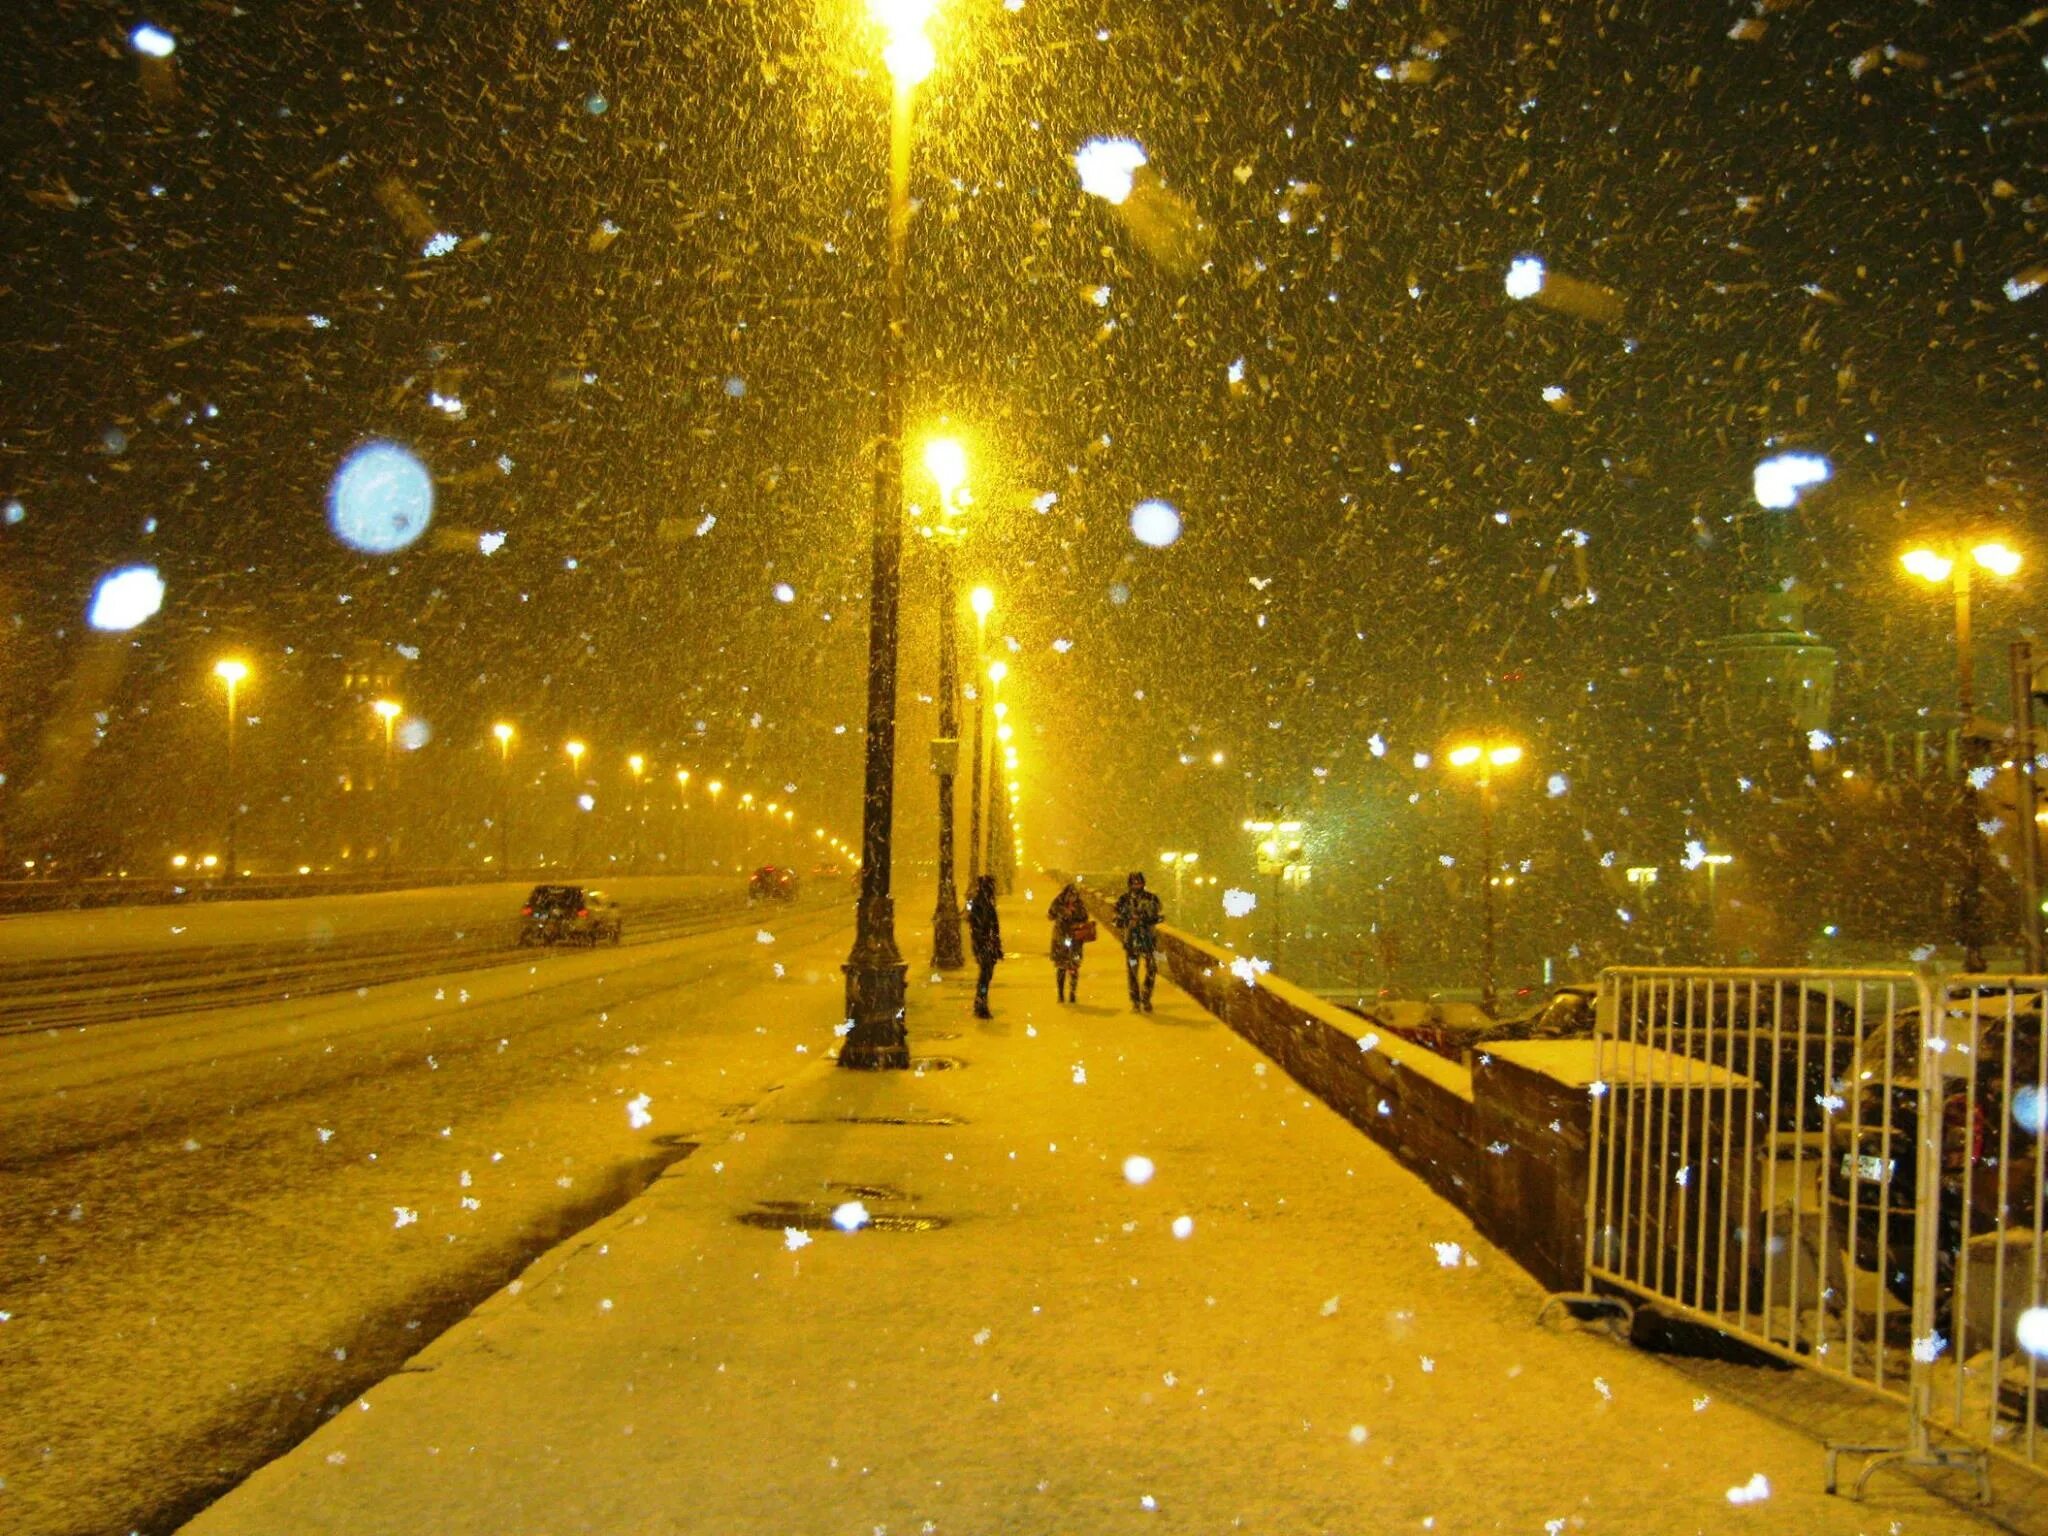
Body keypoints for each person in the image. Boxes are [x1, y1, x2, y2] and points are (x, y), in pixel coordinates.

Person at [1112, 870, 1164, 1012]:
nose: (1137, 885)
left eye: (1139, 882)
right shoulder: (1123, 900)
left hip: (1148, 941)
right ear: (1130, 884)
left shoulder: (1151, 898)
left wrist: (1145, 920)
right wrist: (1128, 921)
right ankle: (1135, 1000)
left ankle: (1146, 996)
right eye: (1134, 883)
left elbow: (1159, 916)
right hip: (1131, 943)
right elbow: (1116, 920)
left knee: (1152, 967)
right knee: (1133, 970)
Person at [966, 874, 1003, 1019]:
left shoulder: (986, 902)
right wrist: (985, 941)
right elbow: (978, 926)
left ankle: (981, 1001)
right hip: (983, 945)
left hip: (987, 945)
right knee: (985, 975)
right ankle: (981, 1002)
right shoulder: (981, 903)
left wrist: (995, 943)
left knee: (986, 975)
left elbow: (993, 925)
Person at [1048, 881, 1091, 1004]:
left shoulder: (1079, 905)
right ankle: (1061, 994)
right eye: (1070, 896)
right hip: (1060, 937)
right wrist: (1062, 912)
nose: (1072, 899)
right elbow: (1050, 915)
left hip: (1075, 938)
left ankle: (1072, 993)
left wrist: (1075, 914)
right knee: (1061, 966)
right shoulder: (1058, 902)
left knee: (1074, 966)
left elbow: (1085, 917)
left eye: (1074, 896)